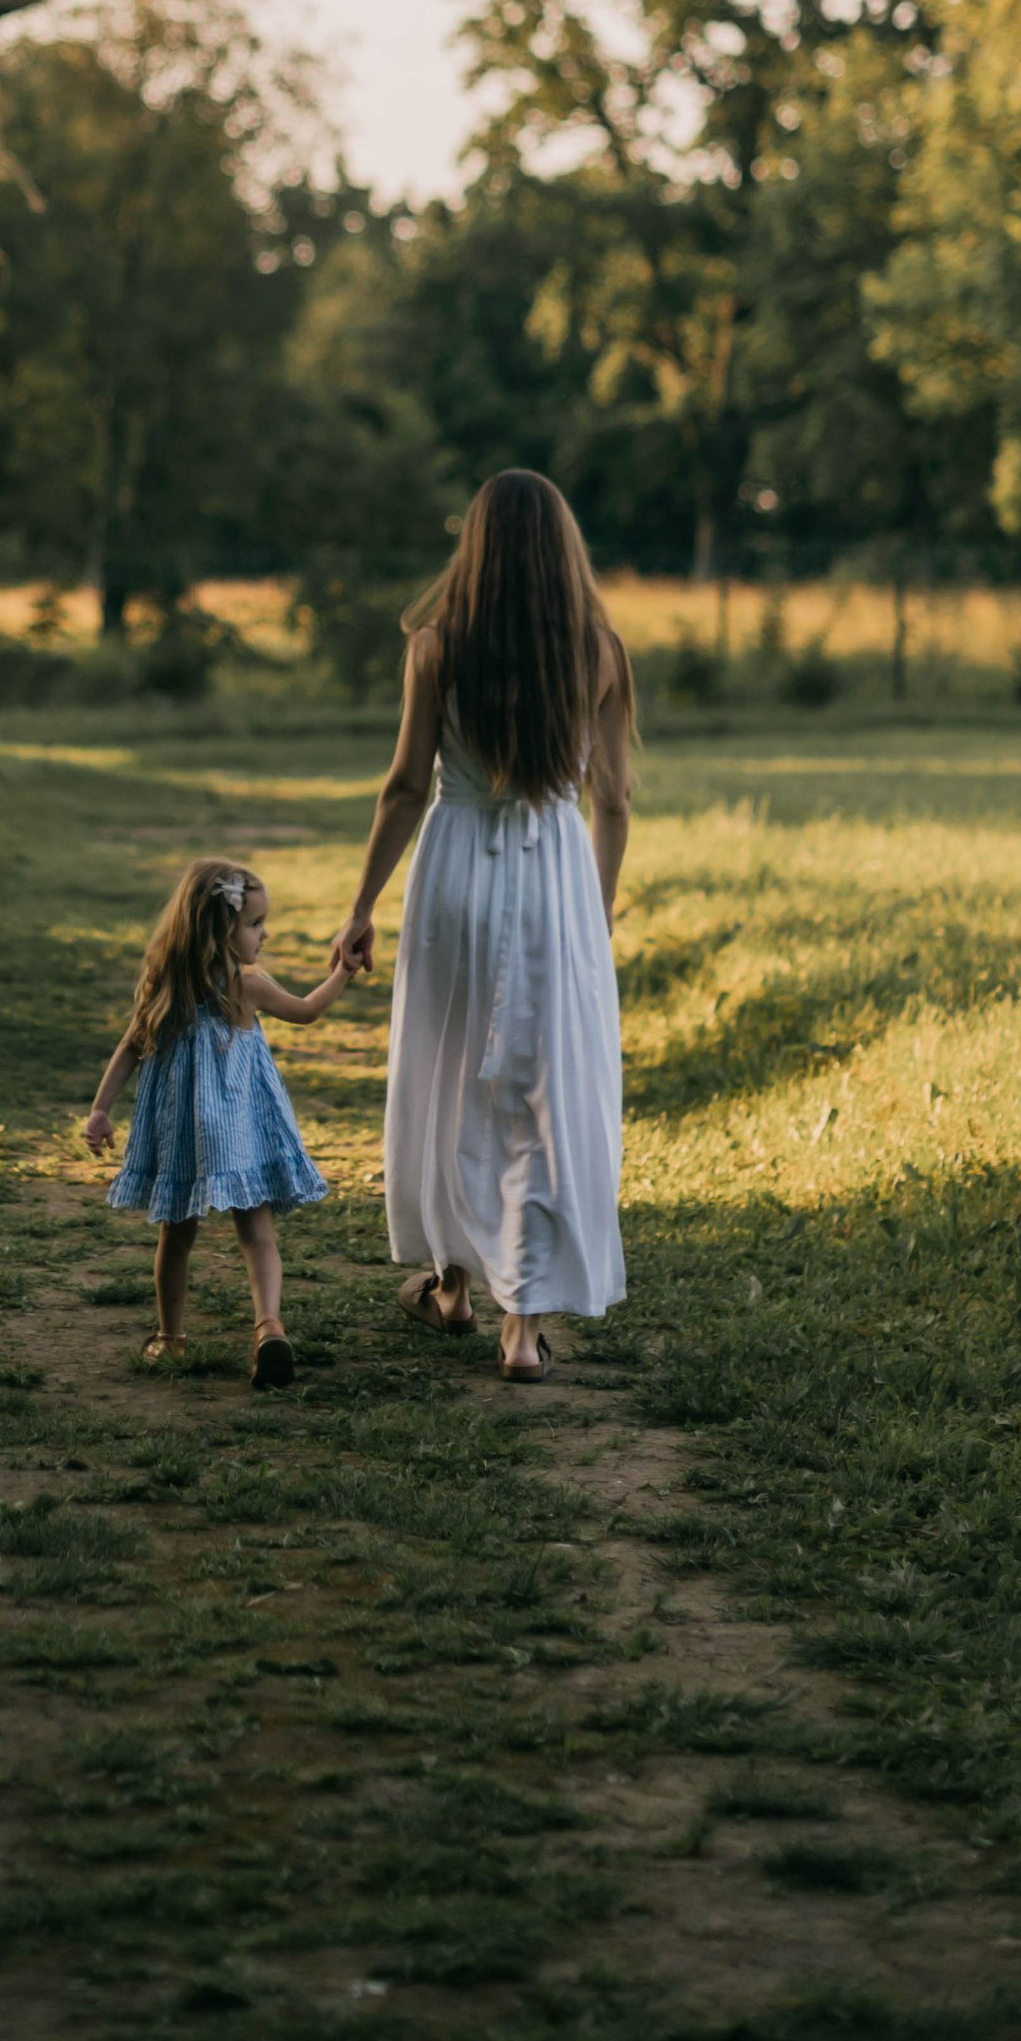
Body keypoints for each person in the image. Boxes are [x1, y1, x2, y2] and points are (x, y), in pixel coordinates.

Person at [332, 469, 632, 1381]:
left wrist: (362, 905)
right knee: (540, 1087)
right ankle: (523, 1329)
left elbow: (405, 788)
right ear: (562, 552)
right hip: (553, 877)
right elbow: (612, 798)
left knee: (450, 1075)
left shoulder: (436, 646)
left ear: (479, 548)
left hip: (454, 868)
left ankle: (453, 1285)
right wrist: (597, 915)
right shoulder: (600, 652)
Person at [83, 859, 353, 1387]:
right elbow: (307, 1011)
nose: (264, 932)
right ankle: (268, 1325)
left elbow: (129, 1049)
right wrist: (342, 968)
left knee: (175, 1237)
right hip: (242, 1131)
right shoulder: (247, 986)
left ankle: (170, 1339)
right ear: (220, 931)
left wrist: (100, 1109)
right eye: (254, 924)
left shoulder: (166, 985)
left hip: (184, 1135)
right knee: (257, 1233)